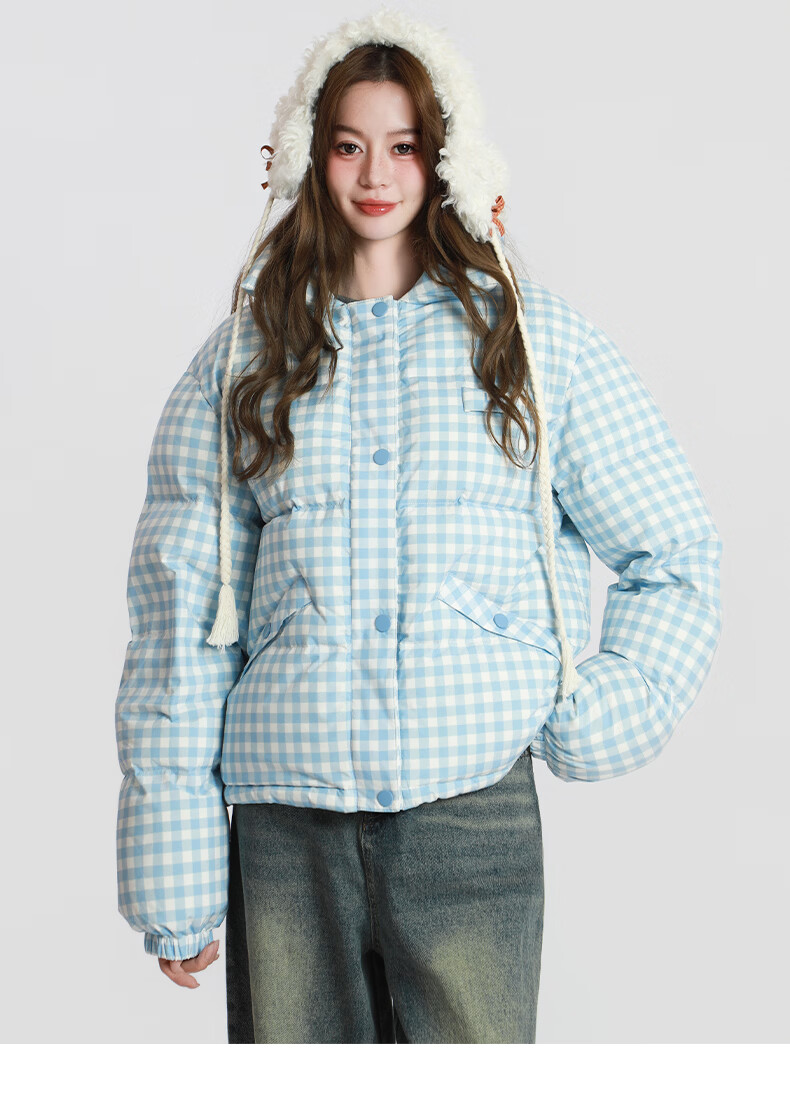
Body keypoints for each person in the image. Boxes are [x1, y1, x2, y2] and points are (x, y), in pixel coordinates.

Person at [114, 7, 722, 1044]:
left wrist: (599, 706)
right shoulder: (243, 360)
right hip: (286, 829)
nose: (375, 174)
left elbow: (673, 552)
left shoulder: (532, 343)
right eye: (347, 145)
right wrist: (174, 865)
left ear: (447, 160)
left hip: (470, 814)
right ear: (307, 156)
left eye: (404, 146)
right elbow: (178, 619)